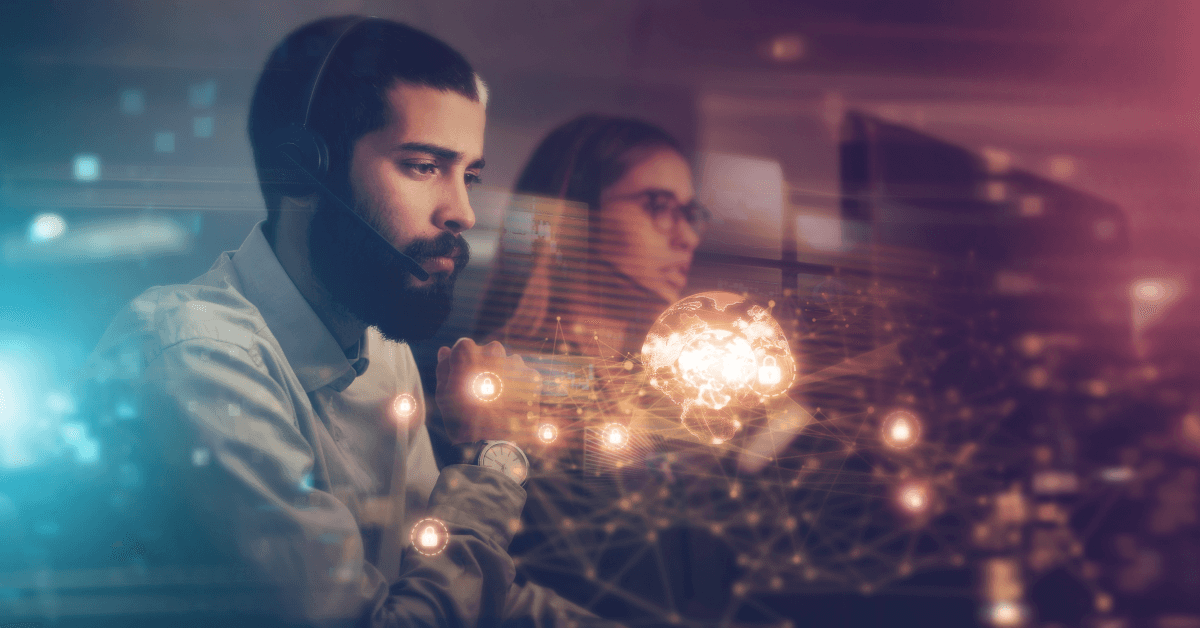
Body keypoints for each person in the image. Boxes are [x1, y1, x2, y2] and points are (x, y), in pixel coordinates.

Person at [79, 16, 607, 628]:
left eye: (471, 175)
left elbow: (440, 582)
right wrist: (496, 457)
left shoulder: (382, 348)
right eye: (422, 166)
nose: (462, 211)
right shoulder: (194, 359)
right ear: (307, 169)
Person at [472, 115, 741, 622]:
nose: (686, 237)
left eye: (691, 212)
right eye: (658, 206)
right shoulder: (493, 386)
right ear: (572, 214)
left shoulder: (674, 395)